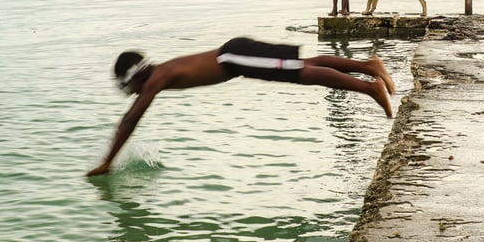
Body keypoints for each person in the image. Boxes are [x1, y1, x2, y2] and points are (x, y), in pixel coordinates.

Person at [86, 37, 395, 176]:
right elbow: (131, 115)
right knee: (305, 66)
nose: (133, 93)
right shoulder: (160, 74)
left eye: (129, 87)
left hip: (234, 58)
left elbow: (131, 119)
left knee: (302, 73)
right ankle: (369, 66)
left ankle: (369, 87)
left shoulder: (156, 78)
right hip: (236, 57)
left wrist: (108, 161)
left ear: (136, 76)